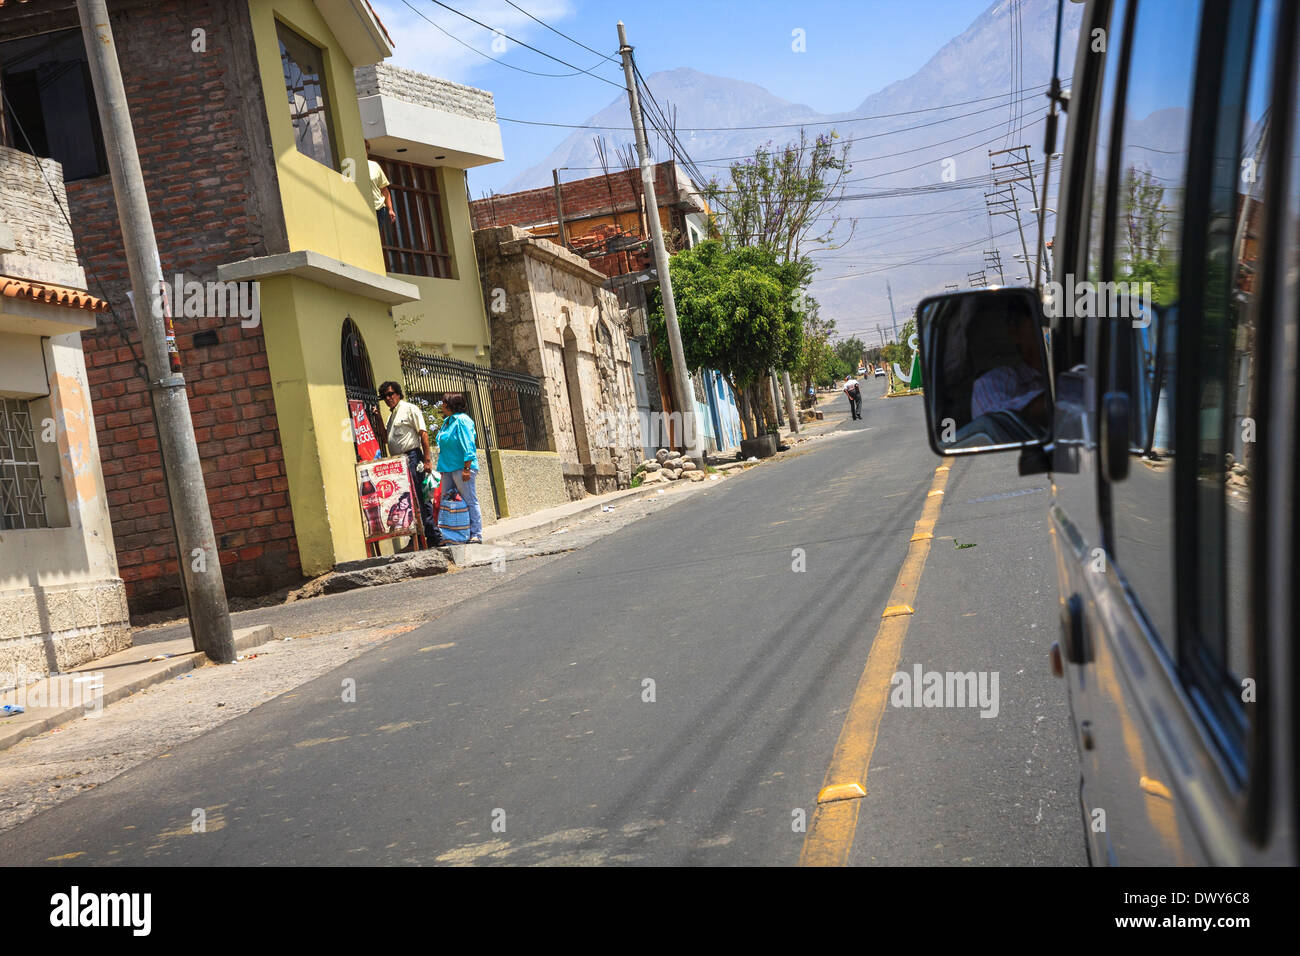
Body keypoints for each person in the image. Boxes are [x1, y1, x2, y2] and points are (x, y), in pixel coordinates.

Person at [372, 381, 439, 546]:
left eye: (391, 394)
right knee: (407, 500)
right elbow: (386, 437)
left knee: (419, 496)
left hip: (412, 457)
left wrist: (427, 459)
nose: (388, 398)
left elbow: (423, 434)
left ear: (398, 393)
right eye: (385, 396)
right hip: (399, 462)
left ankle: (433, 536)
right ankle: (416, 536)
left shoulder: (410, 409)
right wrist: (378, 418)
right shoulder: (392, 415)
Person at [969, 301, 1048, 427]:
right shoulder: (992, 382)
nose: (1048, 324)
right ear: (1014, 331)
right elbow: (993, 421)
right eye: (1034, 313)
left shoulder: (1082, 370)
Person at [436, 393, 483, 544]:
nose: (442, 405)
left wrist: (467, 468)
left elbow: (468, 444)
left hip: (462, 467)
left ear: (451, 404)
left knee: (469, 500)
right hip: (447, 468)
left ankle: (476, 533)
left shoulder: (462, 420)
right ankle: (451, 535)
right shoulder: (447, 422)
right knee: (447, 502)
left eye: (444, 402)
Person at [365, 141, 397, 243]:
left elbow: (384, 190)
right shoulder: (351, 164)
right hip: (361, 206)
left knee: (374, 238)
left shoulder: (375, 166)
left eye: (366, 149)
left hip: (378, 208)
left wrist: (390, 209)